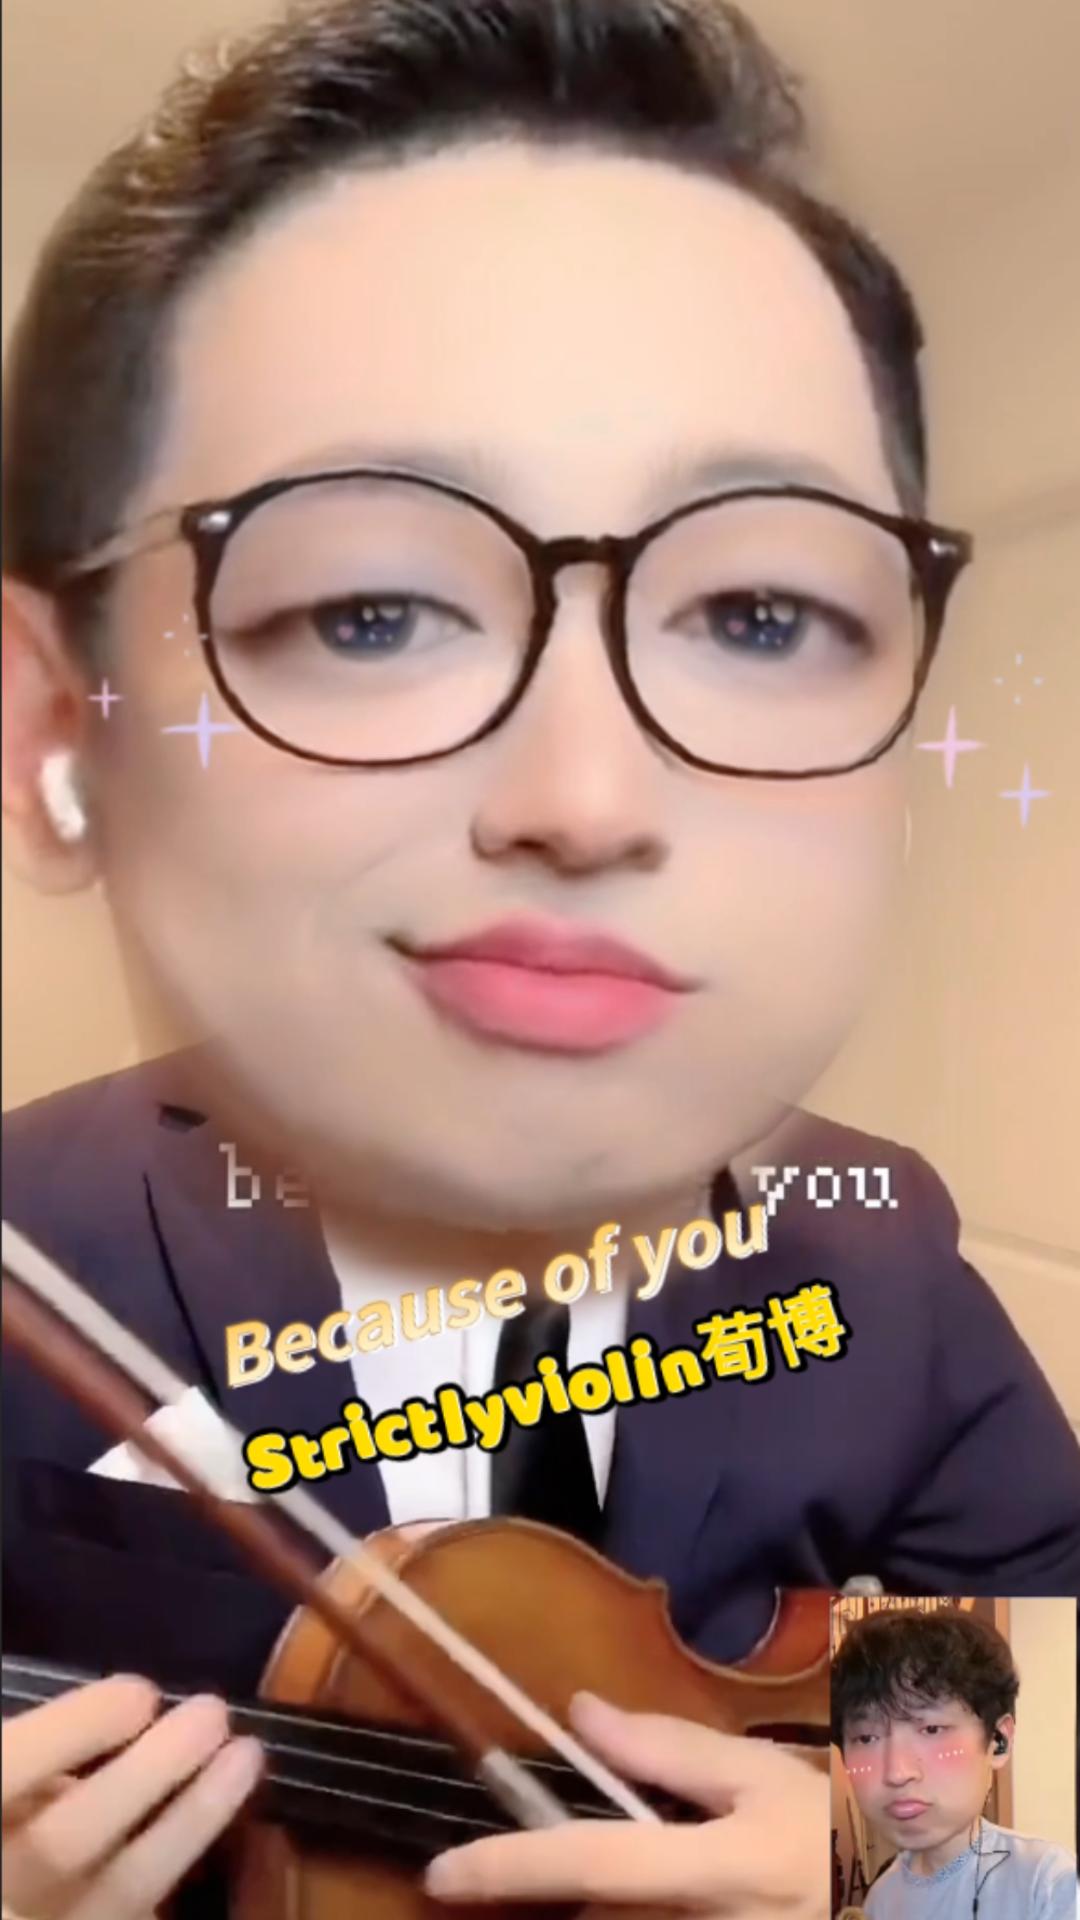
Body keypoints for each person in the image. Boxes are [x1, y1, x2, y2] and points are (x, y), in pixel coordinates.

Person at [2, 0, 1079, 1913]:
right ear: (57, 738)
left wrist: (890, 1865)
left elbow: (1016, 1702)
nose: (590, 799)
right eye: (371, 608)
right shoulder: (26, 1239)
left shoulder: (883, 1251)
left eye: (757, 614)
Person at [832, 1608, 1079, 1919]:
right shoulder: (881, 1899)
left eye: (932, 1730)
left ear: (998, 1740)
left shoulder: (1047, 1882)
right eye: (867, 1737)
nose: (897, 1773)